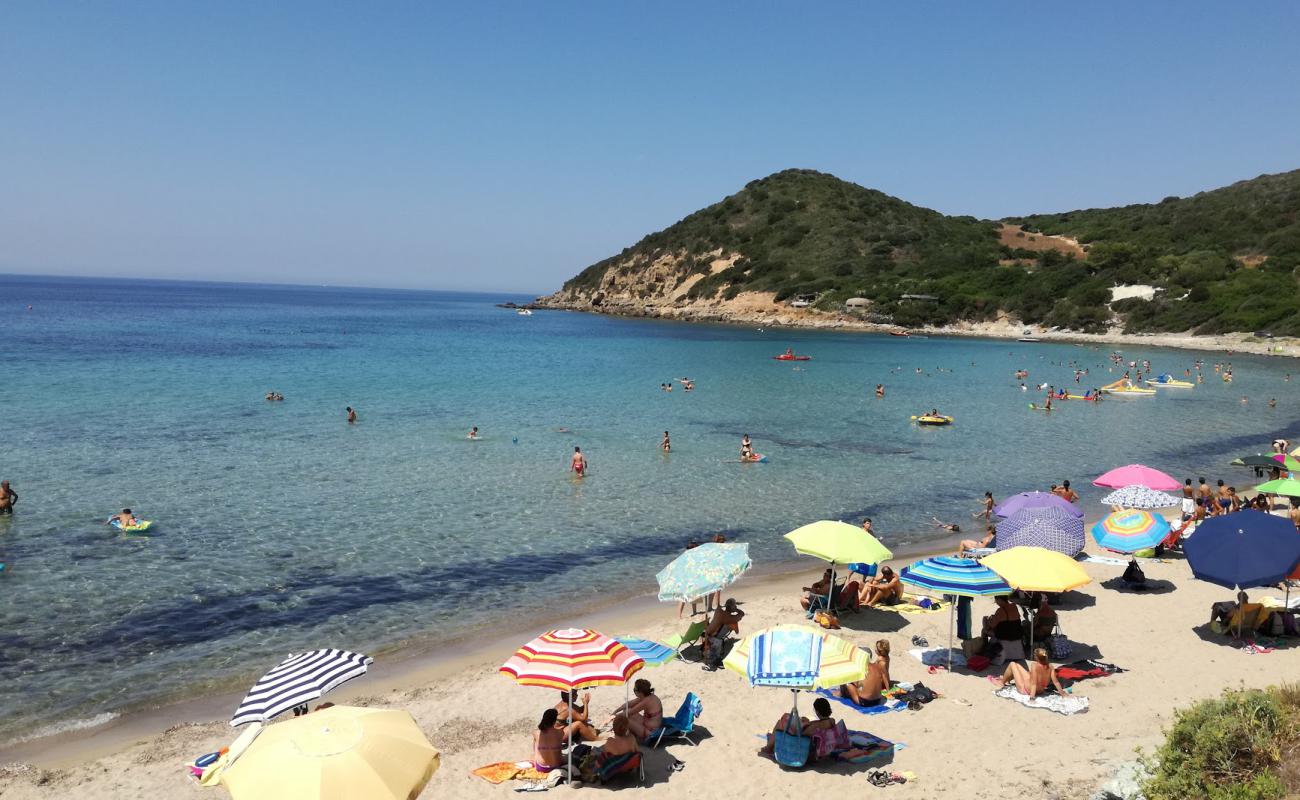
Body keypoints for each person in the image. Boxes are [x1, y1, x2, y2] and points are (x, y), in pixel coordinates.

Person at [760, 697, 837, 757]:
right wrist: (808, 722)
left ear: (817, 711)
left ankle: (768, 748)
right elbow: (819, 725)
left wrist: (804, 724)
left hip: (802, 745)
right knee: (788, 717)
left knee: (780, 723)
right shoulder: (831, 721)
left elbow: (802, 734)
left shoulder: (815, 726)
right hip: (815, 742)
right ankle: (770, 744)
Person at [579, 715, 639, 783]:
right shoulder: (632, 738)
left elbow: (604, 755)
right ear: (627, 728)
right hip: (627, 764)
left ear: (613, 728)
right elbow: (637, 752)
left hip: (613, 767)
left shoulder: (610, 741)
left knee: (595, 754)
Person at [991, 647, 1063, 699]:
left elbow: (1034, 683)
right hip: (1040, 690)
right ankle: (1006, 679)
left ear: (1037, 658)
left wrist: (1032, 698)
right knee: (1018, 666)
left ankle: (1002, 682)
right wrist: (1063, 694)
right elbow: (1056, 682)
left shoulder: (1034, 665)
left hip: (1026, 690)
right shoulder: (1050, 666)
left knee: (1012, 664)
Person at [839, 640, 891, 706]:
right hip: (878, 700)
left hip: (865, 702)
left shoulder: (860, 667)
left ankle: (841, 694)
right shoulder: (876, 666)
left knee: (847, 681)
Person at [701, 598, 745, 667]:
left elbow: (718, 606)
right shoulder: (728, 617)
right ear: (731, 607)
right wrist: (736, 610)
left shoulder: (719, 611)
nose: (736, 607)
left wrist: (732, 607)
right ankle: (714, 658)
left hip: (707, 633)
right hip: (711, 637)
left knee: (717, 639)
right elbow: (742, 614)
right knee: (718, 642)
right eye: (735, 605)